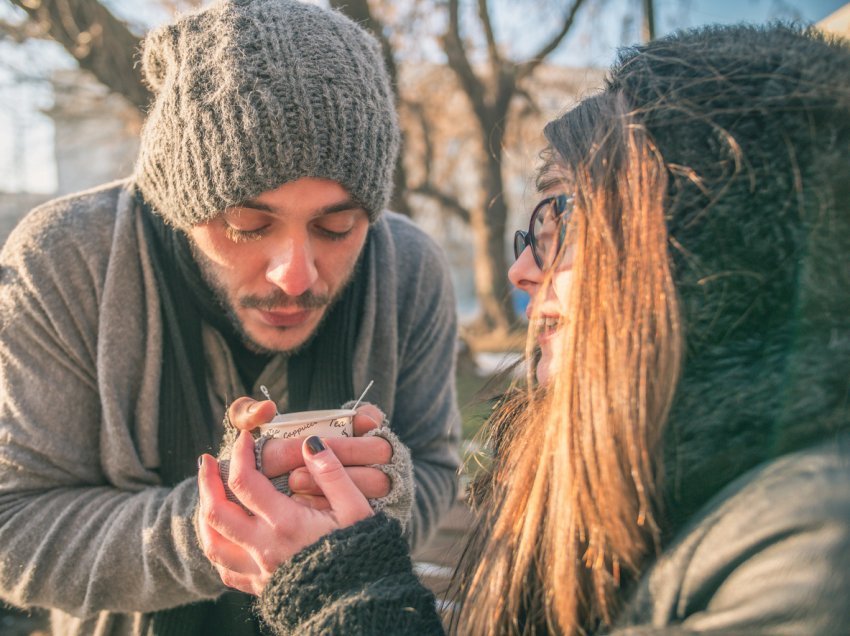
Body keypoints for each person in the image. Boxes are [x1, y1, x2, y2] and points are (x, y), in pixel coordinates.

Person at [196, 23, 850, 635]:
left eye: (562, 215)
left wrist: (344, 600)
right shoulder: (623, 483)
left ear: (717, 248)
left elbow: (429, 463)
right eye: (250, 223)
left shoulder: (815, 549)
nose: (521, 270)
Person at [0, 0, 461, 634]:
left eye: (336, 226)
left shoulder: (411, 268)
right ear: (179, 205)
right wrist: (218, 525)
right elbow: (15, 527)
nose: (296, 276)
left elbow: (436, 462)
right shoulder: (63, 258)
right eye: (247, 225)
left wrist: (383, 500)